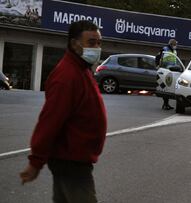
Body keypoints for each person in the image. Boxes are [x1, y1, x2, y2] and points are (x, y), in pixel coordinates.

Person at [20, 20, 107, 203]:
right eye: (91, 43)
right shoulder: (67, 76)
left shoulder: (81, 69)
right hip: (71, 161)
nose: (97, 48)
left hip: (75, 158)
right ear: (75, 43)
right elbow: (49, 122)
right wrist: (35, 162)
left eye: (99, 43)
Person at [155, 39, 178, 110]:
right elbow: (157, 57)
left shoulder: (174, 51)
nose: (176, 46)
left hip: (171, 72)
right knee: (164, 88)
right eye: (175, 44)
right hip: (164, 70)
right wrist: (157, 65)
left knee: (169, 88)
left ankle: (166, 104)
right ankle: (165, 104)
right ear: (171, 44)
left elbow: (175, 61)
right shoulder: (164, 49)